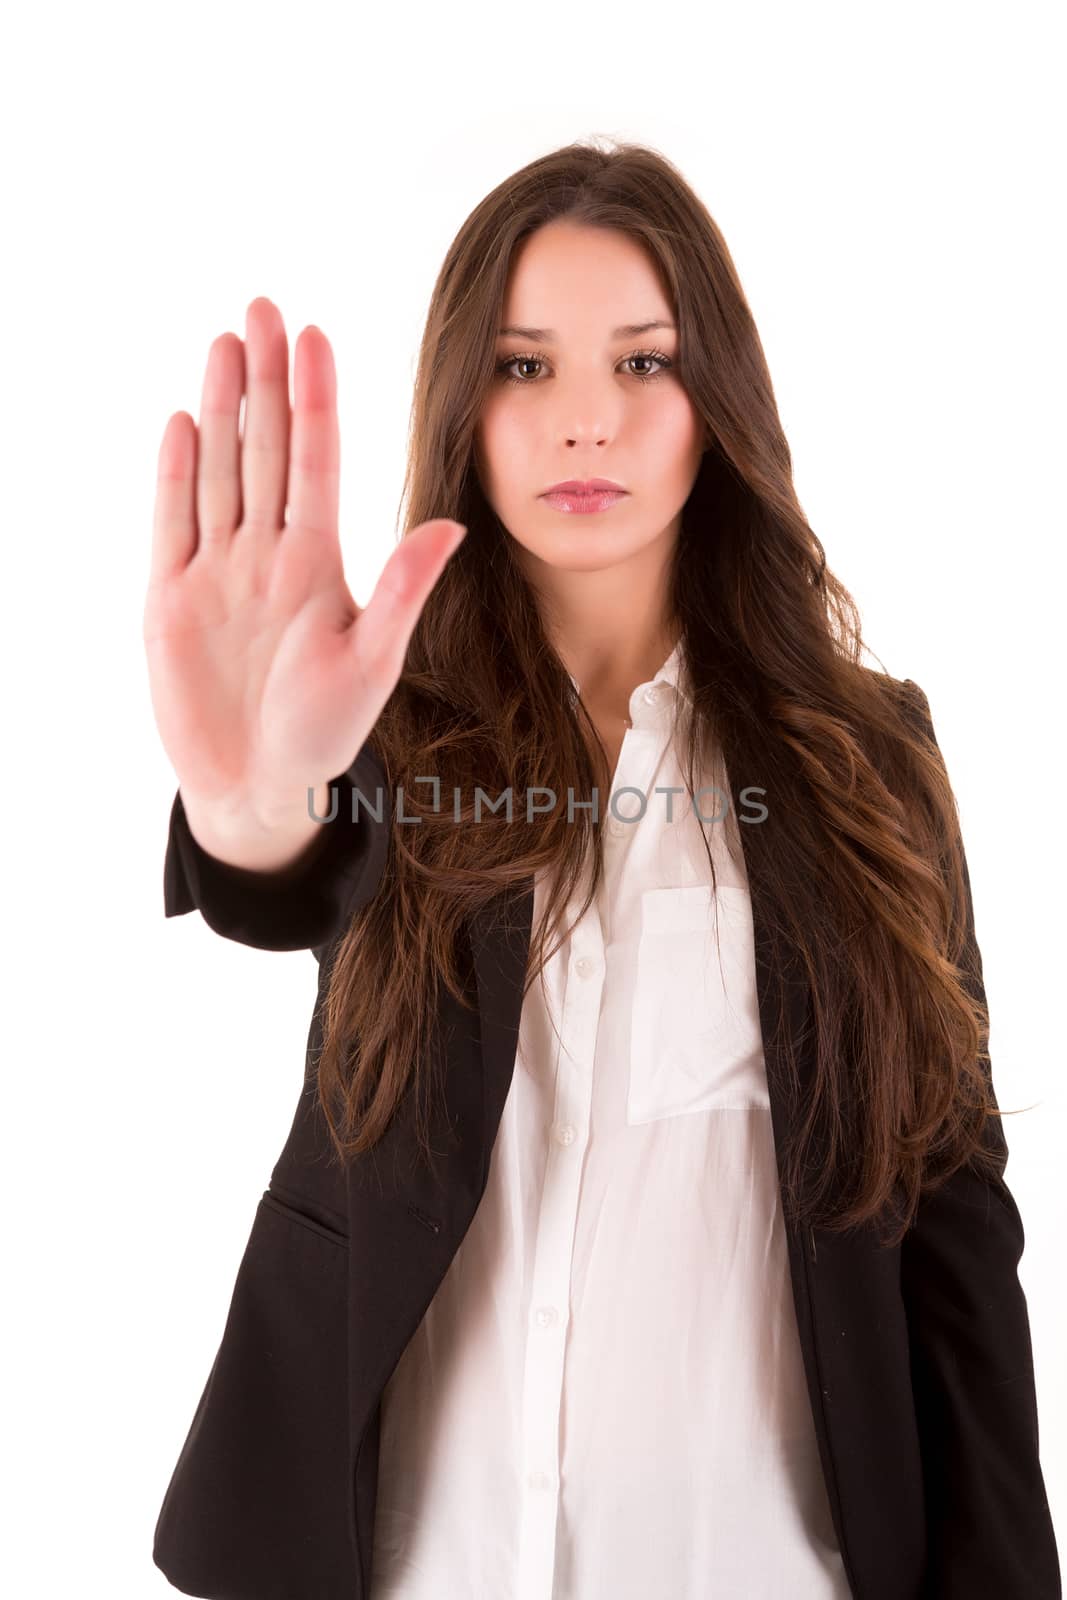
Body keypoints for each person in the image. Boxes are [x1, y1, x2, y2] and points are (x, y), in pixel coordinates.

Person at [144, 140, 1060, 1600]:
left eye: (642, 365)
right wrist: (254, 796)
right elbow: (292, 871)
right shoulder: (384, 730)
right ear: (465, 406)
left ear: (720, 407)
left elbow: (953, 1206)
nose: (584, 422)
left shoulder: (865, 760)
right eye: (524, 369)